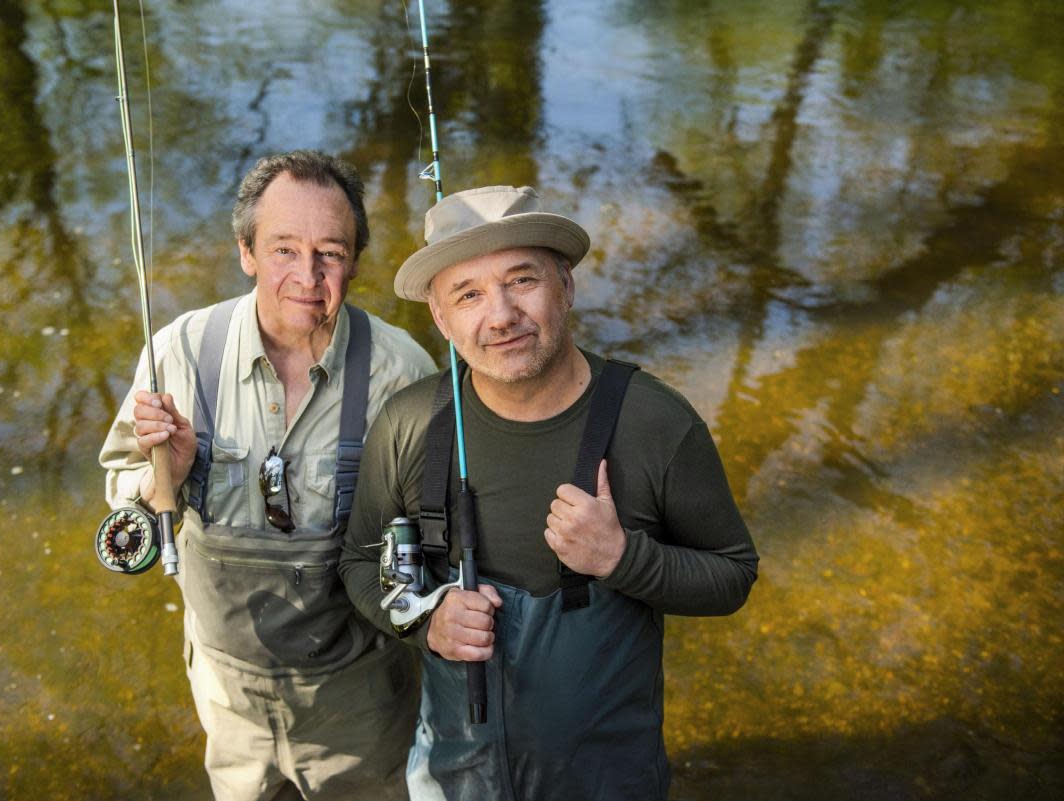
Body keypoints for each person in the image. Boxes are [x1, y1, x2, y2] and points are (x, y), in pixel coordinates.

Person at [339, 185, 760, 800]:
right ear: (440, 317)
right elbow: (357, 563)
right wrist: (423, 622)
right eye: (469, 294)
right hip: (454, 779)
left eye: (522, 280)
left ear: (566, 285)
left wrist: (622, 559)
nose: (502, 314)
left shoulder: (655, 424)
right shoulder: (408, 425)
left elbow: (733, 576)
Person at [99, 150, 437, 801]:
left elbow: (437, 540)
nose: (307, 276)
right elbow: (127, 526)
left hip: (362, 706)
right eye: (283, 249)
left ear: (356, 261)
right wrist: (159, 478)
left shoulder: (404, 373)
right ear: (246, 251)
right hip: (227, 705)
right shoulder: (181, 352)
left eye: (330, 252)